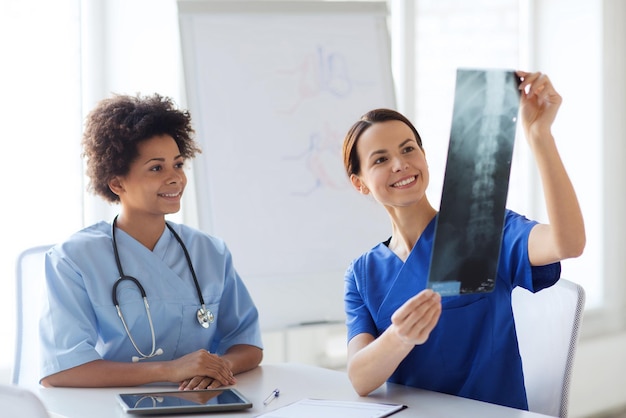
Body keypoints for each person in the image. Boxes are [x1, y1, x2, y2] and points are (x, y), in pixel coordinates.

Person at [341, 71, 585, 410]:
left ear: (424, 157)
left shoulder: (480, 229)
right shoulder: (363, 273)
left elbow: (568, 243)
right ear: (360, 183)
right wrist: (400, 337)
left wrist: (539, 135)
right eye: (380, 159)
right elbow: (360, 378)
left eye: (408, 149)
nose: (400, 164)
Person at [40, 93, 263, 389]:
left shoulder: (210, 252)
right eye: (157, 168)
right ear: (117, 183)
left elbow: (247, 343)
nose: (175, 179)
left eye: (179, 165)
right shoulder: (74, 259)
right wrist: (170, 370)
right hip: (113, 405)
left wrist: (218, 367)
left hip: (202, 403)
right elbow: (62, 370)